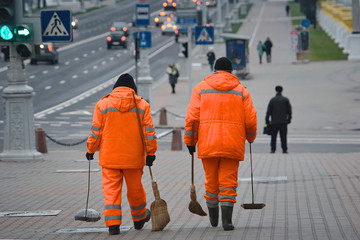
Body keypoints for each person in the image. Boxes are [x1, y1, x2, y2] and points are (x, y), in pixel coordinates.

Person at [184, 57, 257, 231]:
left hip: (208, 143)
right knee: (229, 181)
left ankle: (214, 219)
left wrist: (190, 142)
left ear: (214, 69)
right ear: (231, 71)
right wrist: (251, 137)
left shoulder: (200, 89)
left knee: (211, 181)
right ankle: (227, 221)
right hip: (232, 143)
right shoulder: (241, 91)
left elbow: (192, 118)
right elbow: (251, 119)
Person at [86, 73, 158, 235]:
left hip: (109, 158)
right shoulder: (142, 105)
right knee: (135, 190)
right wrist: (151, 153)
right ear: (133, 89)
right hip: (133, 158)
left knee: (111, 191)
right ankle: (139, 218)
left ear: (115, 88)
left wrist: (91, 150)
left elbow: (96, 131)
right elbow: (149, 133)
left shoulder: (102, 105)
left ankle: (113, 225)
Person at [265, 85, 292, 154]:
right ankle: (284, 149)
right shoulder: (286, 99)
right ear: (282, 90)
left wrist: (267, 120)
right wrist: (289, 119)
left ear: (276, 90)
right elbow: (289, 110)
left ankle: (273, 149)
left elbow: (269, 111)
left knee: (273, 137)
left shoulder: (272, 100)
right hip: (283, 121)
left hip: (274, 122)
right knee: (283, 136)